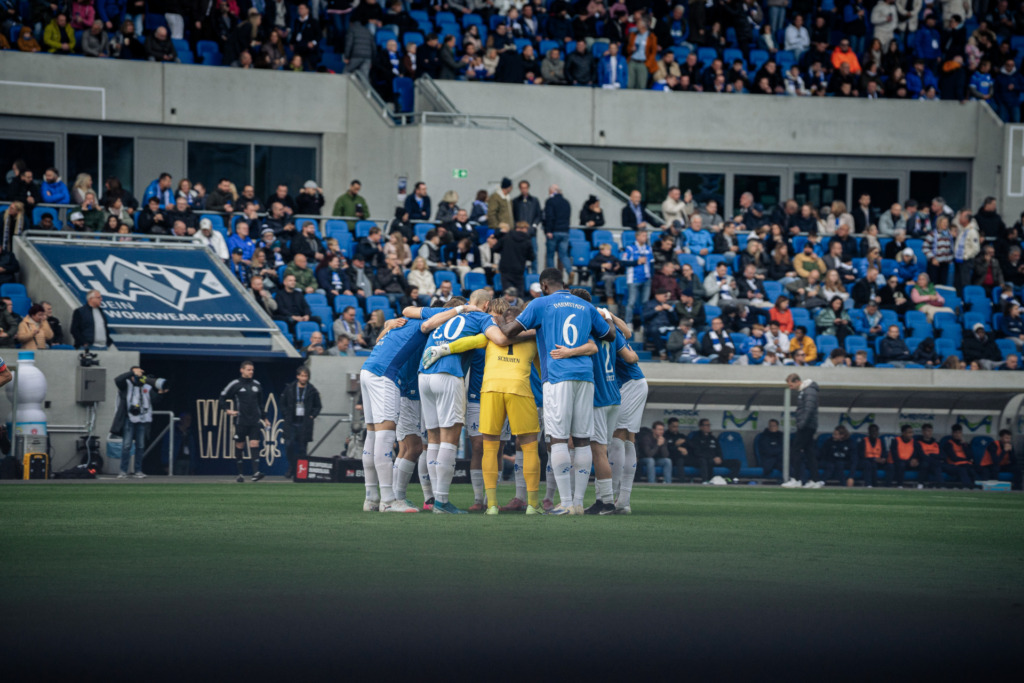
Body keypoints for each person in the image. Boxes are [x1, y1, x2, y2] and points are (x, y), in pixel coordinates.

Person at [497, 268, 616, 514]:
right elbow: (610, 334)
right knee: (582, 439)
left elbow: (508, 332)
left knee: (558, 438)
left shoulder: (541, 303)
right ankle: (580, 504)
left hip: (557, 375)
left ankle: (566, 503)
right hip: (585, 376)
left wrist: (494, 318)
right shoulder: (585, 305)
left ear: (543, 285)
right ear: (564, 283)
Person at [111, 366, 168, 479]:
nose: (138, 377)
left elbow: (154, 400)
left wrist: (161, 393)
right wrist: (131, 372)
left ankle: (138, 470)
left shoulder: (146, 386)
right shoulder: (126, 384)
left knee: (140, 446)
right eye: (136, 374)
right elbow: (117, 380)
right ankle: (123, 471)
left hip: (142, 418)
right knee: (126, 445)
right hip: (129, 418)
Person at [218, 360, 270, 483]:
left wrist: (265, 418)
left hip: (254, 421)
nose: (251, 372)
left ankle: (256, 473)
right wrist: (227, 410)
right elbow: (222, 397)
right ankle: (240, 474)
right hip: (241, 420)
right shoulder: (235, 384)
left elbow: (260, 403)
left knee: (255, 444)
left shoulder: (257, 384)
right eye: (248, 369)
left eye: (252, 370)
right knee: (240, 445)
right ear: (242, 370)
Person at [281, 366, 322, 479]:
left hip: (304, 423)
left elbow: (318, 406)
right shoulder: (290, 388)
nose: (304, 378)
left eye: (306, 376)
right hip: (291, 422)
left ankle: (300, 471)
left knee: (302, 447)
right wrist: (286, 414)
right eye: (302, 376)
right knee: (289, 445)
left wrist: (312, 415)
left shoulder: (312, 390)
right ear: (298, 376)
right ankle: (292, 466)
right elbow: (282, 403)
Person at [782, 373, 821, 488]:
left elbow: (808, 409)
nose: (790, 388)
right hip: (808, 426)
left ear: (797, 381)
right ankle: (815, 480)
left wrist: (801, 424)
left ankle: (796, 479)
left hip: (806, 426)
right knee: (809, 453)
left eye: (791, 385)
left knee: (795, 450)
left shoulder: (809, 391)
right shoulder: (806, 391)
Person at [690, 418, 740, 483]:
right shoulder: (696, 438)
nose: (708, 427)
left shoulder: (712, 438)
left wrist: (719, 457)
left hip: (716, 460)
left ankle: (729, 479)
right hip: (706, 460)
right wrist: (712, 458)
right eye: (706, 425)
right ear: (701, 427)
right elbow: (697, 452)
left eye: (709, 425)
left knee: (737, 462)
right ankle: (706, 481)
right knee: (704, 461)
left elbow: (719, 450)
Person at [493, 221, 535, 295]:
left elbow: (495, 248)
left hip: (505, 269)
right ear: (524, 229)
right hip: (519, 270)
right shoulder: (527, 241)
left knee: (507, 294)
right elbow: (531, 257)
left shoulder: (506, 237)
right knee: (519, 295)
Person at [543, 185, 571, 277]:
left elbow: (549, 217)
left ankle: (552, 275)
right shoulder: (566, 202)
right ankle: (570, 271)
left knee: (550, 255)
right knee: (563, 255)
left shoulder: (550, 201)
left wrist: (548, 230)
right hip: (565, 232)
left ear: (552, 191)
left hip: (554, 231)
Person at [887, 423, 923, 488]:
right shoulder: (895, 441)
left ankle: (920, 484)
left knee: (924, 464)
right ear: (903, 433)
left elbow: (919, 454)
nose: (911, 434)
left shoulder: (914, 442)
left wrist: (915, 460)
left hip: (908, 463)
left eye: (912, 432)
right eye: (909, 433)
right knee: (901, 465)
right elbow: (895, 456)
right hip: (896, 462)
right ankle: (900, 485)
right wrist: (908, 462)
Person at [942, 424, 976, 488]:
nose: (958, 435)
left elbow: (970, 456)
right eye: (956, 433)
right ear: (952, 433)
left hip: (965, 464)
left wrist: (964, 445)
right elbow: (953, 458)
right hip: (953, 465)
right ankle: (967, 487)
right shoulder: (948, 444)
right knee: (962, 470)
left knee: (972, 470)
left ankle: (975, 487)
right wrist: (966, 460)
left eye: (959, 433)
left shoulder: (964, 444)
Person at [854, 424, 887, 488]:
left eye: (876, 431)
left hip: (878, 462)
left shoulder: (880, 441)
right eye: (872, 431)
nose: (874, 433)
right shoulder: (863, 441)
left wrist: (883, 458)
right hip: (866, 461)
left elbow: (884, 452)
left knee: (890, 466)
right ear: (869, 432)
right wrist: (873, 459)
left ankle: (888, 486)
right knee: (869, 464)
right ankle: (869, 484)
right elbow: (861, 455)